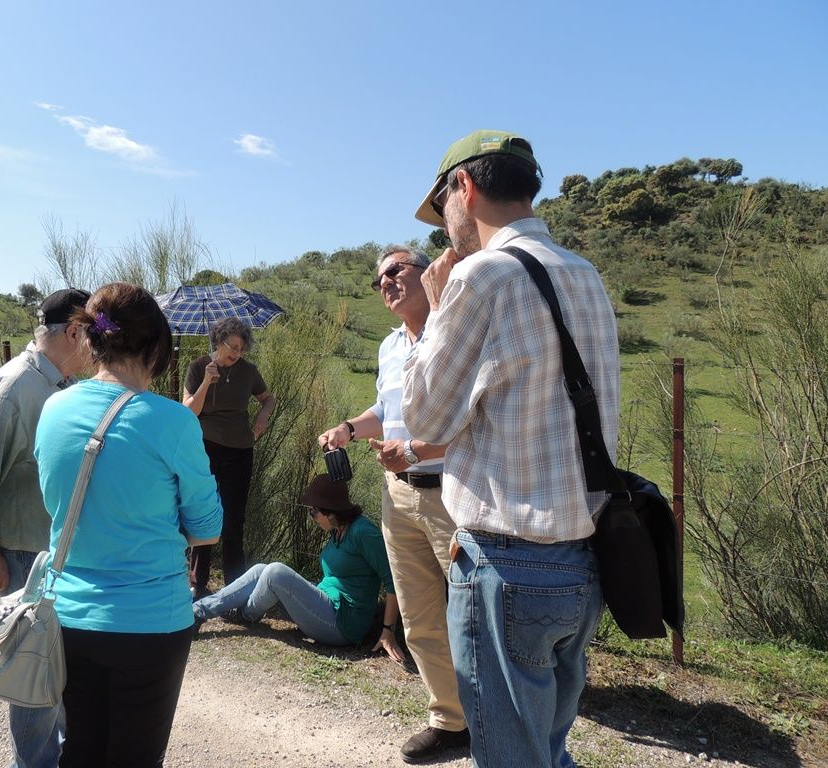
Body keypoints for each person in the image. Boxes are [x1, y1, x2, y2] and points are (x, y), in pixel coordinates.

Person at [402, 130, 620, 767]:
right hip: (583, 559)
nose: (445, 228)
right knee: (546, 749)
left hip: (507, 565)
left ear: (463, 189)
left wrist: (438, 305)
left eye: (441, 208)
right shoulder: (585, 274)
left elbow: (426, 419)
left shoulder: (480, 276)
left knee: (509, 757)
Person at [34, 282, 222, 768]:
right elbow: (207, 529)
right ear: (157, 347)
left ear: (90, 341)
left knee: (80, 748)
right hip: (150, 620)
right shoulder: (173, 421)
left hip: (68, 614)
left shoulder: (53, 408)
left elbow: (56, 502)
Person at [318, 245, 468, 764]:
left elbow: (478, 410)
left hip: (454, 492)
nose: (386, 282)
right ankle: (450, 720)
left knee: (477, 612)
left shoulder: (455, 328)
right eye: (379, 277)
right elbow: (385, 408)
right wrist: (350, 428)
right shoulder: (388, 346)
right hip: (398, 495)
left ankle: (501, 713)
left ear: (428, 274)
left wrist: (417, 451)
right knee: (422, 615)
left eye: (395, 270)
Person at [0, 287, 90, 768]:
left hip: (55, 556)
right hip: (26, 558)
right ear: (73, 331)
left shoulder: (57, 387)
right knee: (36, 679)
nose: (99, 345)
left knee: (60, 674)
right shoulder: (15, 388)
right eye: (96, 333)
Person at [193, 473, 405, 661]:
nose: (312, 518)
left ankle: (245, 614)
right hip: (326, 604)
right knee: (261, 569)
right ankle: (197, 612)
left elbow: (393, 581)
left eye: (314, 513)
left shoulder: (364, 533)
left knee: (275, 572)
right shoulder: (337, 529)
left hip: (343, 624)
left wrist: (388, 630)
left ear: (331, 512)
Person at [182, 316, 276, 597]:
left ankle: (236, 589)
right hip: (204, 448)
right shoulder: (199, 367)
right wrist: (206, 383)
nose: (237, 353)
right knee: (203, 514)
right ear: (218, 341)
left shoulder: (248, 371)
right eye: (232, 346)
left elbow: (268, 398)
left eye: (241, 348)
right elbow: (188, 411)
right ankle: (197, 585)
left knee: (234, 520)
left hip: (239, 449)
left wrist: (262, 417)